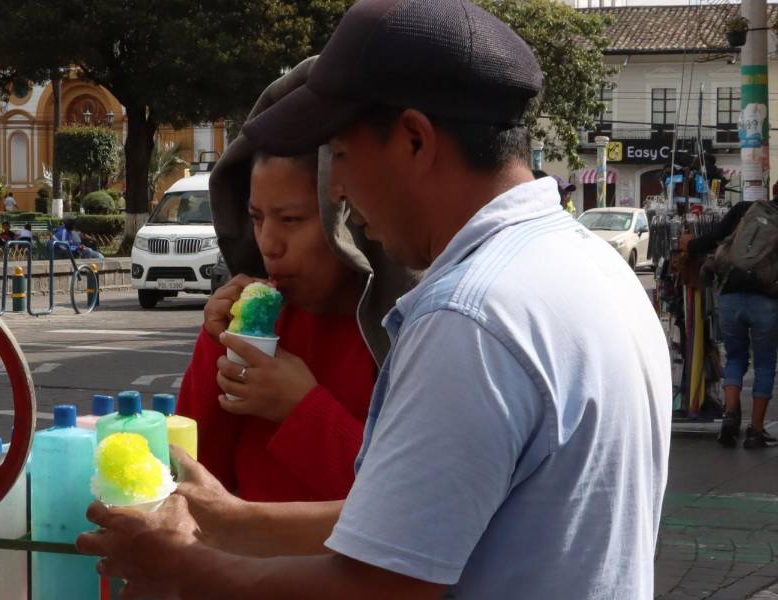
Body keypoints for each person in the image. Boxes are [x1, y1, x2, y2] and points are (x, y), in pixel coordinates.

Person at [76, 2, 671, 598]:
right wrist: (233, 519)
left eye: (341, 154)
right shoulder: (595, 266)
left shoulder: (468, 318)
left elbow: (382, 584)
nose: (337, 188)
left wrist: (185, 565)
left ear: (414, 140)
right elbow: (411, 521)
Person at [175, 70, 414, 502]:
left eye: (291, 220)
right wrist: (217, 347)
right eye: (256, 218)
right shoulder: (254, 322)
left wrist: (301, 408)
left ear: (347, 218)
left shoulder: (407, 329)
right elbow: (192, 473)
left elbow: (404, 507)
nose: (268, 244)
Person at [682, 198, 778, 449]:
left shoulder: (746, 209)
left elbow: (715, 237)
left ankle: (730, 418)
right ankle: (756, 431)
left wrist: (689, 244)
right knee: (765, 365)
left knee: (735, 358)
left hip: (730, 295)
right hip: (766, 300)